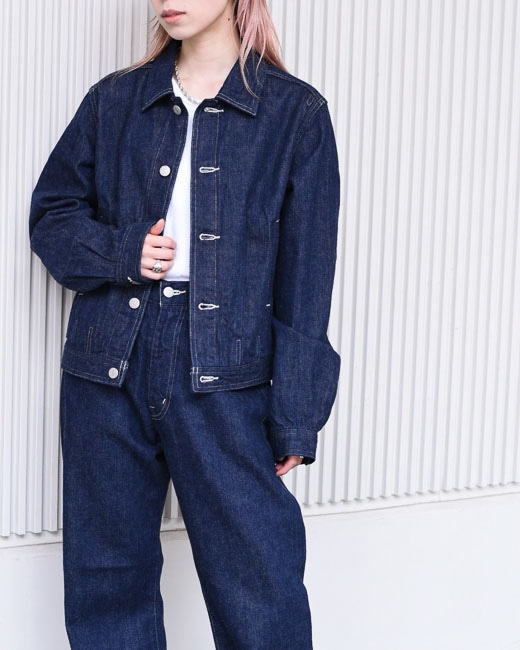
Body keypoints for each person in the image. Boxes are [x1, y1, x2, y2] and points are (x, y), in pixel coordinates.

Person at [29, 1, 340, 648]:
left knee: (260, 586)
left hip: (228, 372)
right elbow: (52, 215)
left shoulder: (295, 114)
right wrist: (121, 252)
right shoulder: (114, 100)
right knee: (107, 584)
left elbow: (307, 276)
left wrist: (296, 413)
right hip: (108, 365)